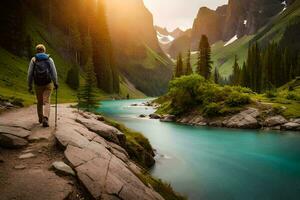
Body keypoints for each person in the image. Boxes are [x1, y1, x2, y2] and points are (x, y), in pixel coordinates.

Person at [27, 44, 58, 127]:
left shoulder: (33, 59)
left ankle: (40, 118)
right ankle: (46, 118)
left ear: (37, 51)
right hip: (48, 83)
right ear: (44, 51)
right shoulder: (49, 59)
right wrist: (55, 83)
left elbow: (30, 74)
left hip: (38, 84)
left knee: (39, 102)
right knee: (47, 101)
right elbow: (54, 72)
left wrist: (29, 85)